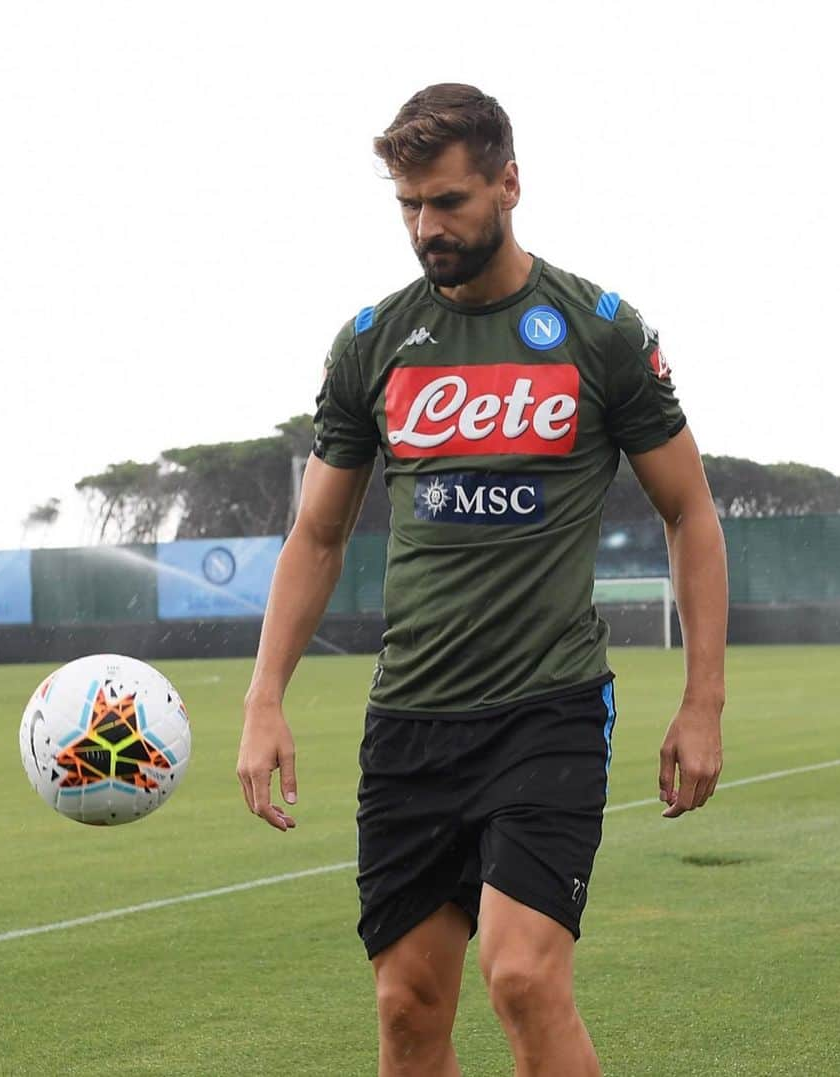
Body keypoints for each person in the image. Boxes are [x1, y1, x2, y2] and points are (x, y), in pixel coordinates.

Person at [237, 83, 727, 1077]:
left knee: (522, 977)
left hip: (546, 709)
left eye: (450, 201)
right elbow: (318, 536)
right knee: (408, 1007)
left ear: (509, 183)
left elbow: (692, 512)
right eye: (410, 205)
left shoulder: (599, 332)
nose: (428, 227)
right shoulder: (372, 342)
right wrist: (264, 698)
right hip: (412, 718)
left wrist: (702, 701)